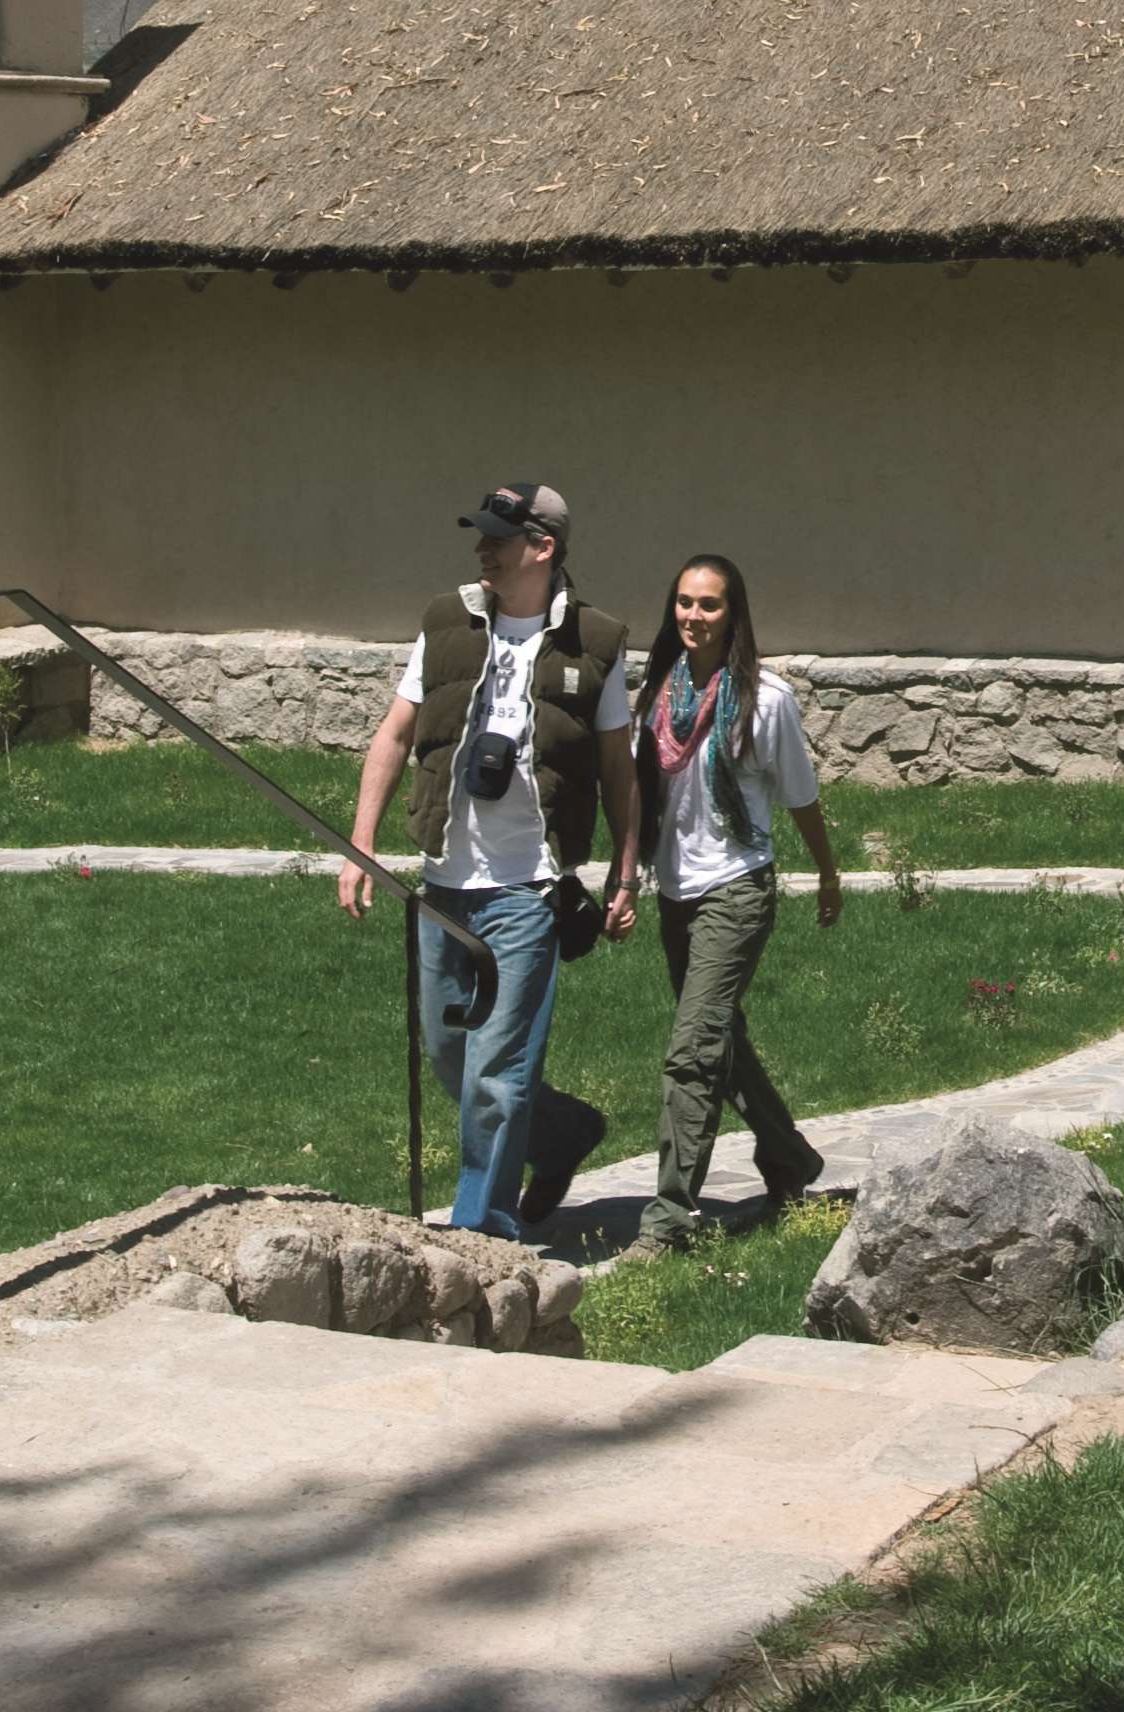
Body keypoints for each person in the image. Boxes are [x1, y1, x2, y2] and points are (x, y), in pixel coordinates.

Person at [338, 483, 639, 1239]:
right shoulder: (447, 623)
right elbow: (394, 735)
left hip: (528, 892)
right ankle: (565, 1134)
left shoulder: (595, 642)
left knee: (495, 1079)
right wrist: (360, 843)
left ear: (542, 548)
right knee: (451, 1061)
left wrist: (625, 872)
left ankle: (479, 1236)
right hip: (445, 886)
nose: (482, 549)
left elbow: (618, 767)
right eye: (480, 536)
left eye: (499, 539)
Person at [626, 553, 842, 1255]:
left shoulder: (765, 699)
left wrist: (828, 875)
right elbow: (639, 796)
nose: (694, 615)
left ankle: (668, 1220)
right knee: (721, 1040)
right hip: (676, 890)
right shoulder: (656, 694)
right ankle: (789, 1159)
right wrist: (623, 877)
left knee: (692, 1052)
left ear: (733, 614)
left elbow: (801, 796)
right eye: (685, 602)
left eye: (709, 605)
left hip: (738, 886)